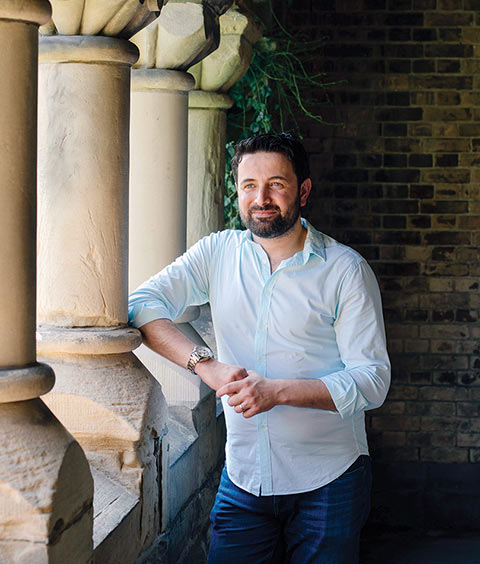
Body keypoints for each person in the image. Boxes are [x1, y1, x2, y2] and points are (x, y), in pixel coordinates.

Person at [128, 133, 390, 563]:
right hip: (246, 477)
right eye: (249, 185)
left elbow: (373, 380)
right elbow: (141, 304)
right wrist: (205, 365)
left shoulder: (346, 270)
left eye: (277, 184)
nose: (261, 197)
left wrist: (277, 392)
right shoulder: (218, 253)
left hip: (330, 480)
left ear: (303, 191)